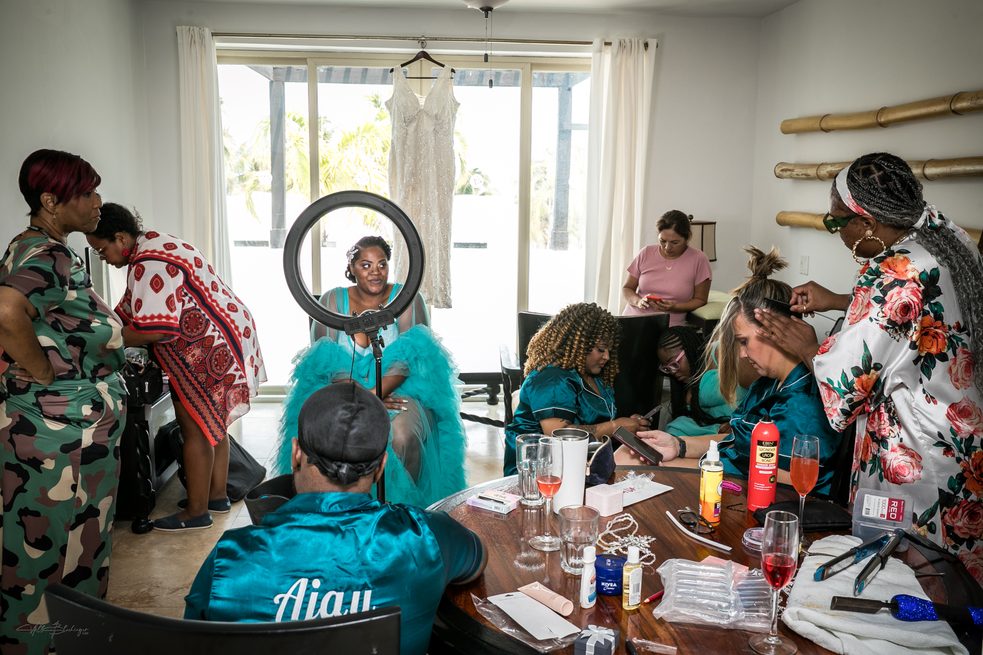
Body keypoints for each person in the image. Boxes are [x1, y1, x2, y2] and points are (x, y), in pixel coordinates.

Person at [754, 152, 983, 582]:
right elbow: (916, 310)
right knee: (959, 588)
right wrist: (841, 300)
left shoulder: (892, 271)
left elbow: (847, 387)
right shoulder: (946, 238)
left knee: (911, 579)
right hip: (962, 439)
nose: (837, 232)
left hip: (917, 451)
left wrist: (808, 348)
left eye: (838, 222)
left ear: (869, 222)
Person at [185, 383, 487, 655]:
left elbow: (192, 639)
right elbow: (476, 559)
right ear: (381, 466)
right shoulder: (424, 536)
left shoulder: (231, 556)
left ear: (295, 454)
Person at [0, 149, 126, 654]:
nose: (98, 202)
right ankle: (50, 643)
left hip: (64, 433)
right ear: (51, 201)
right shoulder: (46, 254)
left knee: (67, 547)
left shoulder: (40, 247)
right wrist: (41, 372)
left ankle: (64, 639)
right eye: (87, 193)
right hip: (59, 441)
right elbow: (7, 311)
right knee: (52, 553)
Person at [86, 203, 266, 532]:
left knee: (194, 427)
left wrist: (109, 340)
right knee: (214, 423)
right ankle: (216, 496)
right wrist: (109, 323)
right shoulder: (155, 243)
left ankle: (196, 512)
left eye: (102, 250)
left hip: (208, 345)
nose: (104, 258)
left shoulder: (148, 262)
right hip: (227, 334)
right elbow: (129, 307)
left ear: (121, 238)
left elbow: (157, 329)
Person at [621, 247, 843, 495]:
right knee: (627, 454)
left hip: (749, 490)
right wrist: (678, 445)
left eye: (744, 341)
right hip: (728, 470)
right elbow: (737, 440)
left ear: (774, 330)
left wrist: (693, 467)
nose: (741, 354)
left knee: (629, 464)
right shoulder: (766, 384)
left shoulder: (801, 401)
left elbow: (786, 481)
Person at [277, 235, 466, 508]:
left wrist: (374, 396)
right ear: (351, 268)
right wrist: (365, 400)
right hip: (342, 392)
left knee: (402, 434)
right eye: (365, 265)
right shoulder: (332, 299)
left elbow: (410, 359)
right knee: (329, 435)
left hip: (398, 389)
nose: (375, 272)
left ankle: (402, 510)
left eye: (382, 264)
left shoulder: (407, 298)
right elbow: (326, 361)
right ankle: (346, 507)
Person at [504, 302, 650, 475]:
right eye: (601, 349)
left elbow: (596, 419)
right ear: (578, 344)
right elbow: (558, 435)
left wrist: (628, 424)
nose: (607, 357)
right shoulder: (552, 378)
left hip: (579, 464)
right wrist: (614, 427)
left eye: (609, 350)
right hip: (536, 470)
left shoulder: (593, 376)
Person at [656, 324, 758, 438]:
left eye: (674, 363)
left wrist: (741, 421)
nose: (673, 372)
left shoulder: (719, 353)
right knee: (674, 429)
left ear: (689, 349)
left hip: (742, 423)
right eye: (667, 369)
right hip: (714, 427)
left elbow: (759, 389)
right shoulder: (689, 380)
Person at [622, 210, 712, 327]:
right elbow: (627, 288)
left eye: (675, 242)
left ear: (687, 238)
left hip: (670, 324)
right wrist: (638, 301)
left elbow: (700, 300)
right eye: (662, 241)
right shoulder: (646, 253)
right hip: (634, 318)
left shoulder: (699, 259)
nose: (667, 247)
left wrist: (675, 307)